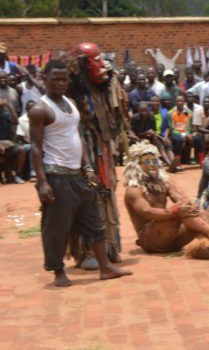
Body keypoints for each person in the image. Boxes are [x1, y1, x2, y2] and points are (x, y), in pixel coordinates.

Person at [28, 60, 132, 287]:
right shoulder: (40, 109)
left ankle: (105, 267)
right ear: (44, 79)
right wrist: (42, 182)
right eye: (55, 78)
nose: (60, 83)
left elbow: (79, 138)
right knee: (57, 227)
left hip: (78, 175)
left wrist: (87, 167)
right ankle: (58, 272)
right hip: (57, 176)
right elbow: (35, 148)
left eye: (64, 79)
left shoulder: (71, 103)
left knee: (94, 223)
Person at [123, 141, 209, 259]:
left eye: (154, 161)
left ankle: (206, 245)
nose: (152, 165)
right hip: (152, 240)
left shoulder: (165, 182)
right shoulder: (133, 190)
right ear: (136, 165)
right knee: (175, 215)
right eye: (147, 162)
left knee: (203, 214)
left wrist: (189, 209)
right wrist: (174, 211)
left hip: (173, 237)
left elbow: (184, 200)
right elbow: (146, 211)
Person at [0, 93, 23, 183]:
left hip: (7, 144)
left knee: (21, 149)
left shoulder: (5, 114)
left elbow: (16, 121)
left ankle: (18, 175)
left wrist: (8, 106)